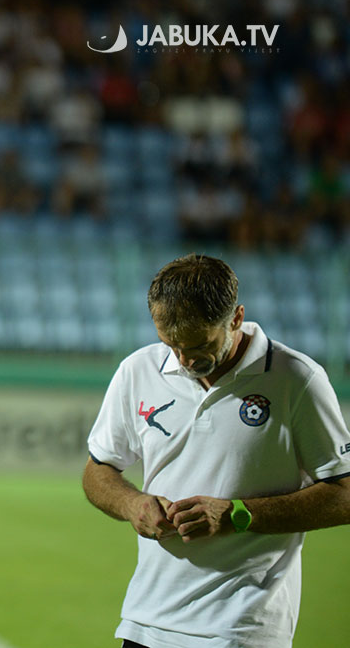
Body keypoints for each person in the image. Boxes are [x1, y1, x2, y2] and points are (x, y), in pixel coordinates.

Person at [82, 254, 350, 648]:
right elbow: (97, 470)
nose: (185, 360)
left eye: (199, 344)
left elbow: (343, 494)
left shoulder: (297, 380)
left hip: (241, 631)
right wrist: (131, 505)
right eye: (171, 344)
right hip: (145, 623)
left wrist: (237, 515)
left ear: (236, 318)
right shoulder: (137, 371)